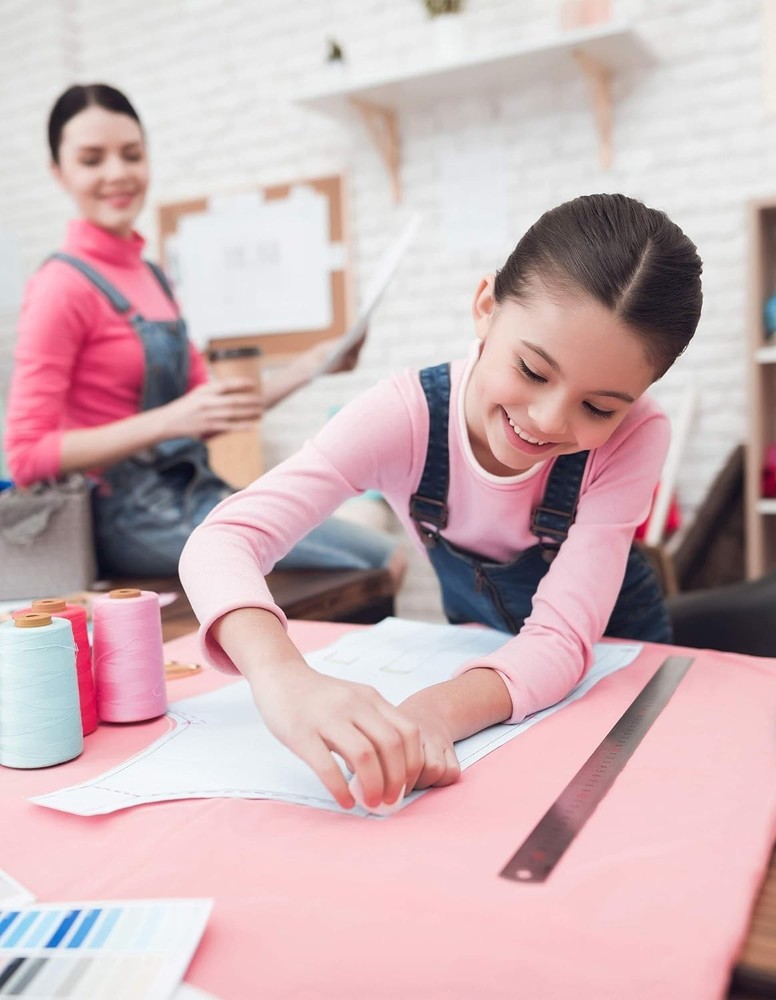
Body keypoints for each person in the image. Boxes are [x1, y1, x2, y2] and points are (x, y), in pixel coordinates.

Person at [179, 192, 703, 811]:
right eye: (533, 371)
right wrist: (283, 676)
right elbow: (224, 539)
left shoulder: (637, 435)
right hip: (489, 676)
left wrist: (433, 712)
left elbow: (562, 639)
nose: (546, 420)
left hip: (613, 671)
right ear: (486, 306)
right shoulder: (405, 418)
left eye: (598, 407)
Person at [3, 83, 404, 584]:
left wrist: (315, 363)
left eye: (132, 154)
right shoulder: (60, 286)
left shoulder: (152, 277)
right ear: (58, 173)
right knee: (378, 557)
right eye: (91, 160)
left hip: (191, 493)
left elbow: (212, 410)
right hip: (129, 521)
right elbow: (27, 455)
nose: (117, 173)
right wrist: (169, 420)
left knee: (377, 552)